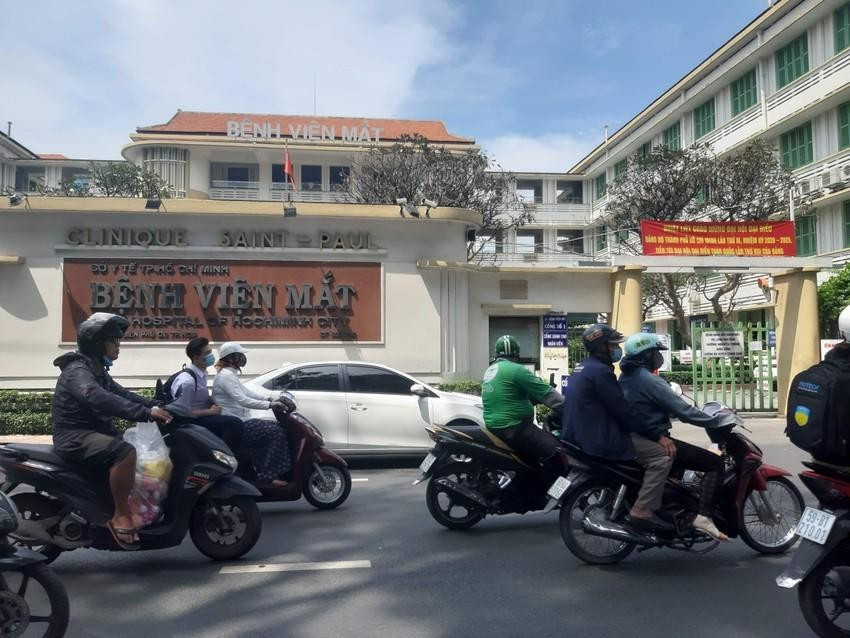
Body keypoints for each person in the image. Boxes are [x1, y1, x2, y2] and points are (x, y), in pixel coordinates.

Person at [52, 312, 172, 550]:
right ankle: (121, 515)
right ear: (97, 344)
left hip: (93, 431)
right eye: (113, 341)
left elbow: (121, 394)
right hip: (75, 436)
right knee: (125, 452)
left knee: (142, 453)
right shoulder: (78, 370)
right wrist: (144, 413)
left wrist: (157, 406)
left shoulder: (97, 370)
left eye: (118, 340)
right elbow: (95, 396)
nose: (118, 346)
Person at [619, 333, 735, 541]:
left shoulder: (627, 376)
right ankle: (704, 517)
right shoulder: (649, 380)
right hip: (649, 437)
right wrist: (716, 421)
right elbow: (684, 411)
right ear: (647, 355)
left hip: (634, 435)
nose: (659, 356)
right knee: (714, 463)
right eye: (656, 352)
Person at [561, 324, 673, 531]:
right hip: (600, 439)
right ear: (601, 347)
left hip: (577, 436)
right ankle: (642, 509)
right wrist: (656, 435)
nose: (616, 349)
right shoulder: (601, 372)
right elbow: (623, 410)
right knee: (662, 457)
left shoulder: (582, 368)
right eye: (612, 345)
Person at [481, 335, 566, 472]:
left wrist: (535, 399)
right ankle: (554, 485)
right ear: (517, 353)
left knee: (532, 461)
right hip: (515, 428)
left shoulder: (491, 370)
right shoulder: (517, 370)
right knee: (557, 451)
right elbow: (550, 395)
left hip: (495, 426)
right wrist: (571, 410)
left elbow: (510, 398)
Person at [212, 342, 292, 488]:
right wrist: (270, 405)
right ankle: (268, 477)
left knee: (274, 427)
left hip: (241, 420)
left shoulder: (229, 374)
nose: (243, 358)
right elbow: (243, 400)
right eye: (240, 355)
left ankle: (264, 472)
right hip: (237, 423)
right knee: (276, 432)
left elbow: (247, 392)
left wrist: (270, 398)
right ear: (231, 358)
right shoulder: (226, 376)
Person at [170, 337, 244, 451]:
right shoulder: (187, 381)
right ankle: (224, 456)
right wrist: (211, 411)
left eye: (210, 352)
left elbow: (199, 399)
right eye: (207, 353)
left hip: (202, 415)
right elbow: (182, 412)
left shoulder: (201, 374)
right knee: (234, 423)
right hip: (190, 421)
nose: (211, 356)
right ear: (196, 358)